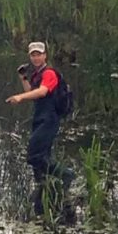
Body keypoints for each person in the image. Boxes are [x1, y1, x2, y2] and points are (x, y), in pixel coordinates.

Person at [6, 41, 72, 215]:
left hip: (49, 119)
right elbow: (34, 93)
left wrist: (20, 97)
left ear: (45, 56)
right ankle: (44, 187)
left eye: (39, 54)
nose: (36, 57)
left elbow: (42, 92)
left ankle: (66, 175)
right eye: (33, 55)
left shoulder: (49, 73)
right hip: (39, 118)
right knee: (41, 156)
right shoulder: (37, 75)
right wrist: (23, 78)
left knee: (34, 155)